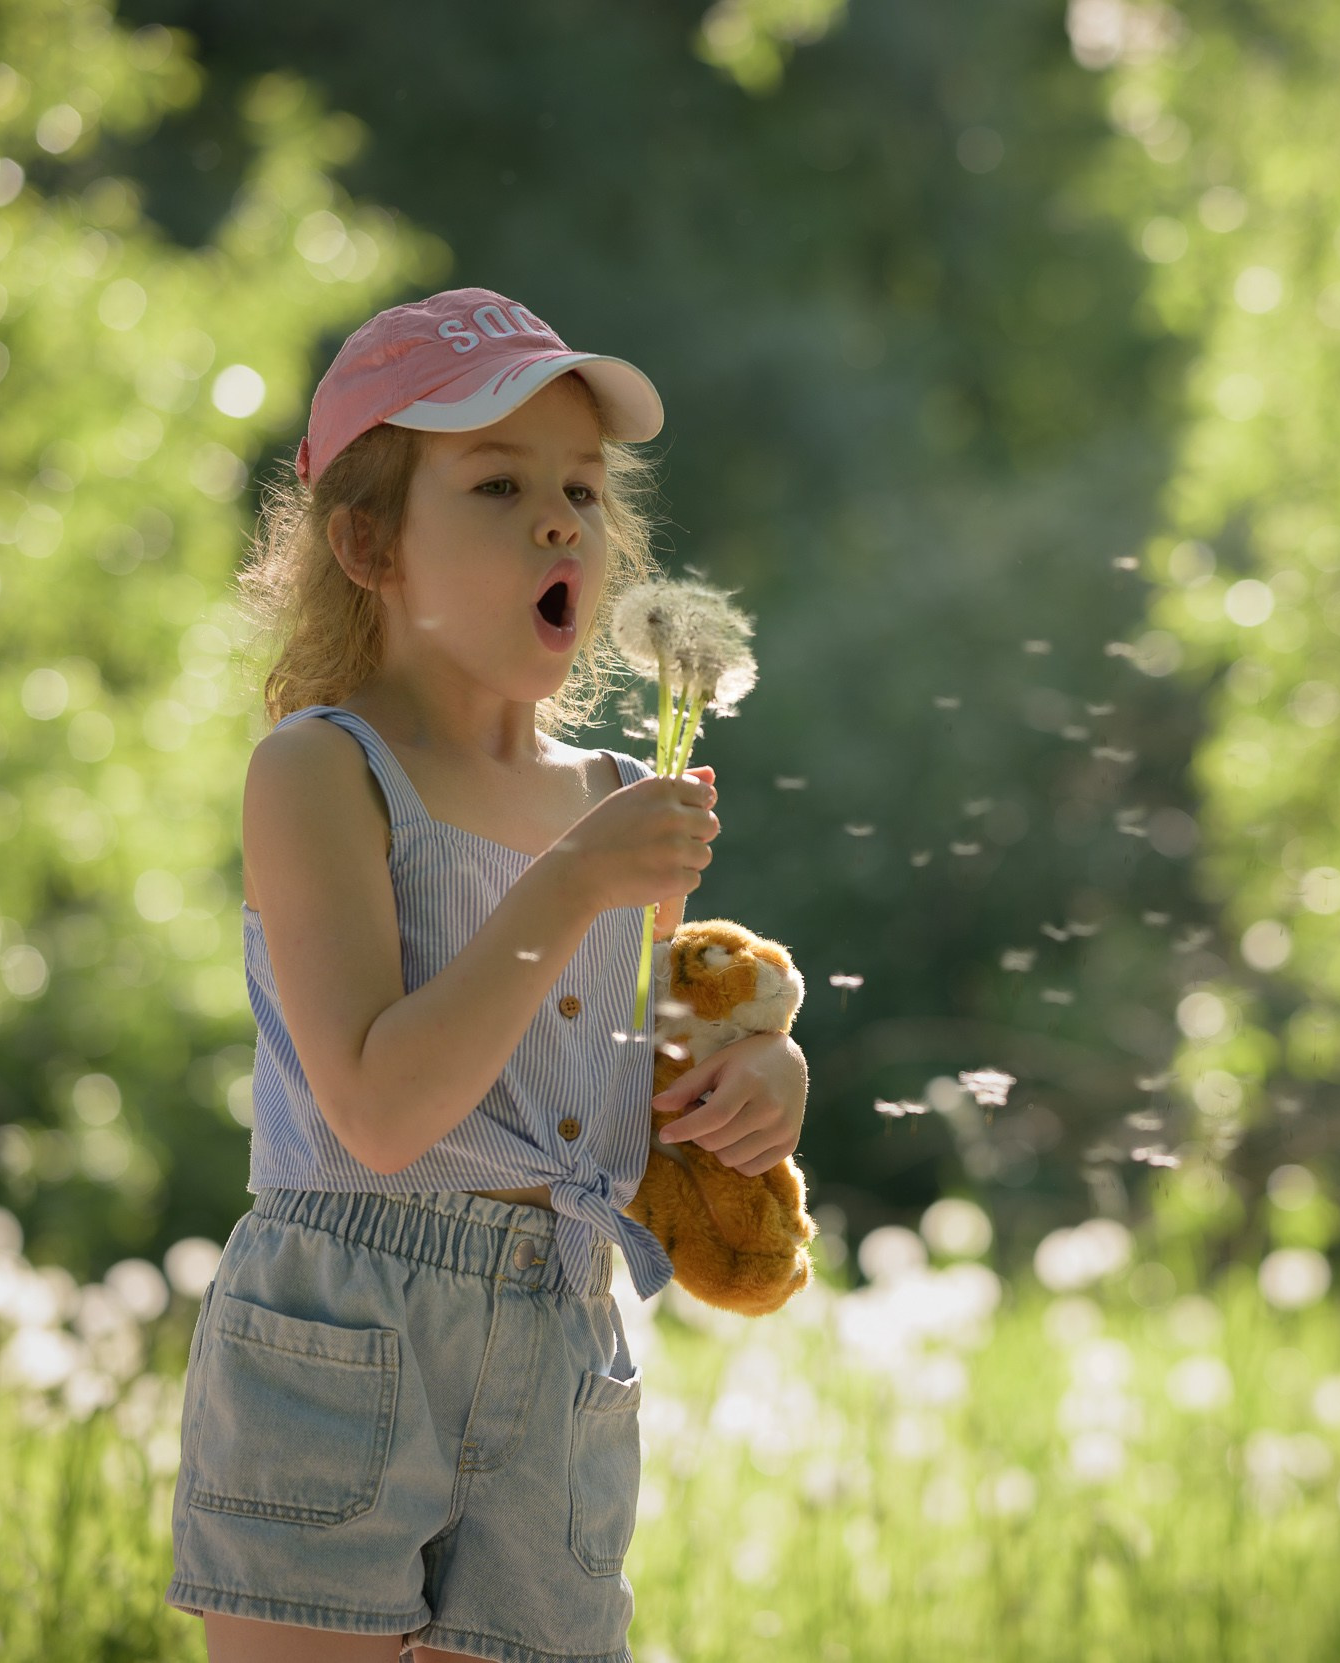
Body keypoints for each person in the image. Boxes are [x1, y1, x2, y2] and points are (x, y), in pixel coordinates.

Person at [165, 287, 808, 1663]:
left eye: (580, 485)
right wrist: (575, 877)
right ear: (369, 542)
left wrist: (759, 1079)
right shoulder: (324, 772)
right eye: (499, 482)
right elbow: (385, 1113)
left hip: (563, 1346)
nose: (561, 517)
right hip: (345, 1327)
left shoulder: (619, 795)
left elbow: (623, 1081)